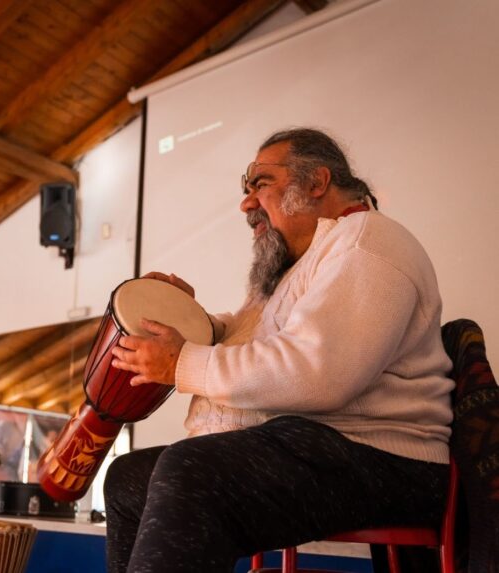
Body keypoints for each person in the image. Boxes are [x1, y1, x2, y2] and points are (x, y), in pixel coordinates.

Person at [104, 128, 454, 572]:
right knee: (128, 480)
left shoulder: (367, 241)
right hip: (321, 449)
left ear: (316, 182)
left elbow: (316, 371)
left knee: (192, 470)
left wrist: (184, 363)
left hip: (386, 462)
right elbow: (250, 336)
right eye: (245, 189)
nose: (246, 204)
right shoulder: (300, 264)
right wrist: (188, 322)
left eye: (260, 184)